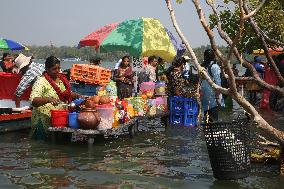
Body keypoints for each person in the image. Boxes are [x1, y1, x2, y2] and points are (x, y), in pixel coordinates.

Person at [30, 56, 81, 140]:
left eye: (58, 68)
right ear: (47, 69)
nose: (57, 71)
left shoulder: (61, 80)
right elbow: (33, 100)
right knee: (42, 148)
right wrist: (48, 99)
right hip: (43, 120)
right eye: (54, 69)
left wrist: (75, 95)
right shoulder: (41, 81)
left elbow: (64, 94)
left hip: (59, 119)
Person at [201, 49, 224, 121]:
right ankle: (213, 130)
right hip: (212, 94)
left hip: (204, 93)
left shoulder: (203, 67)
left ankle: (206, 130)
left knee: (206, 116)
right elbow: (218, 82)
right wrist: (218, 96)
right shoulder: (214, 66)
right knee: (214, 117)